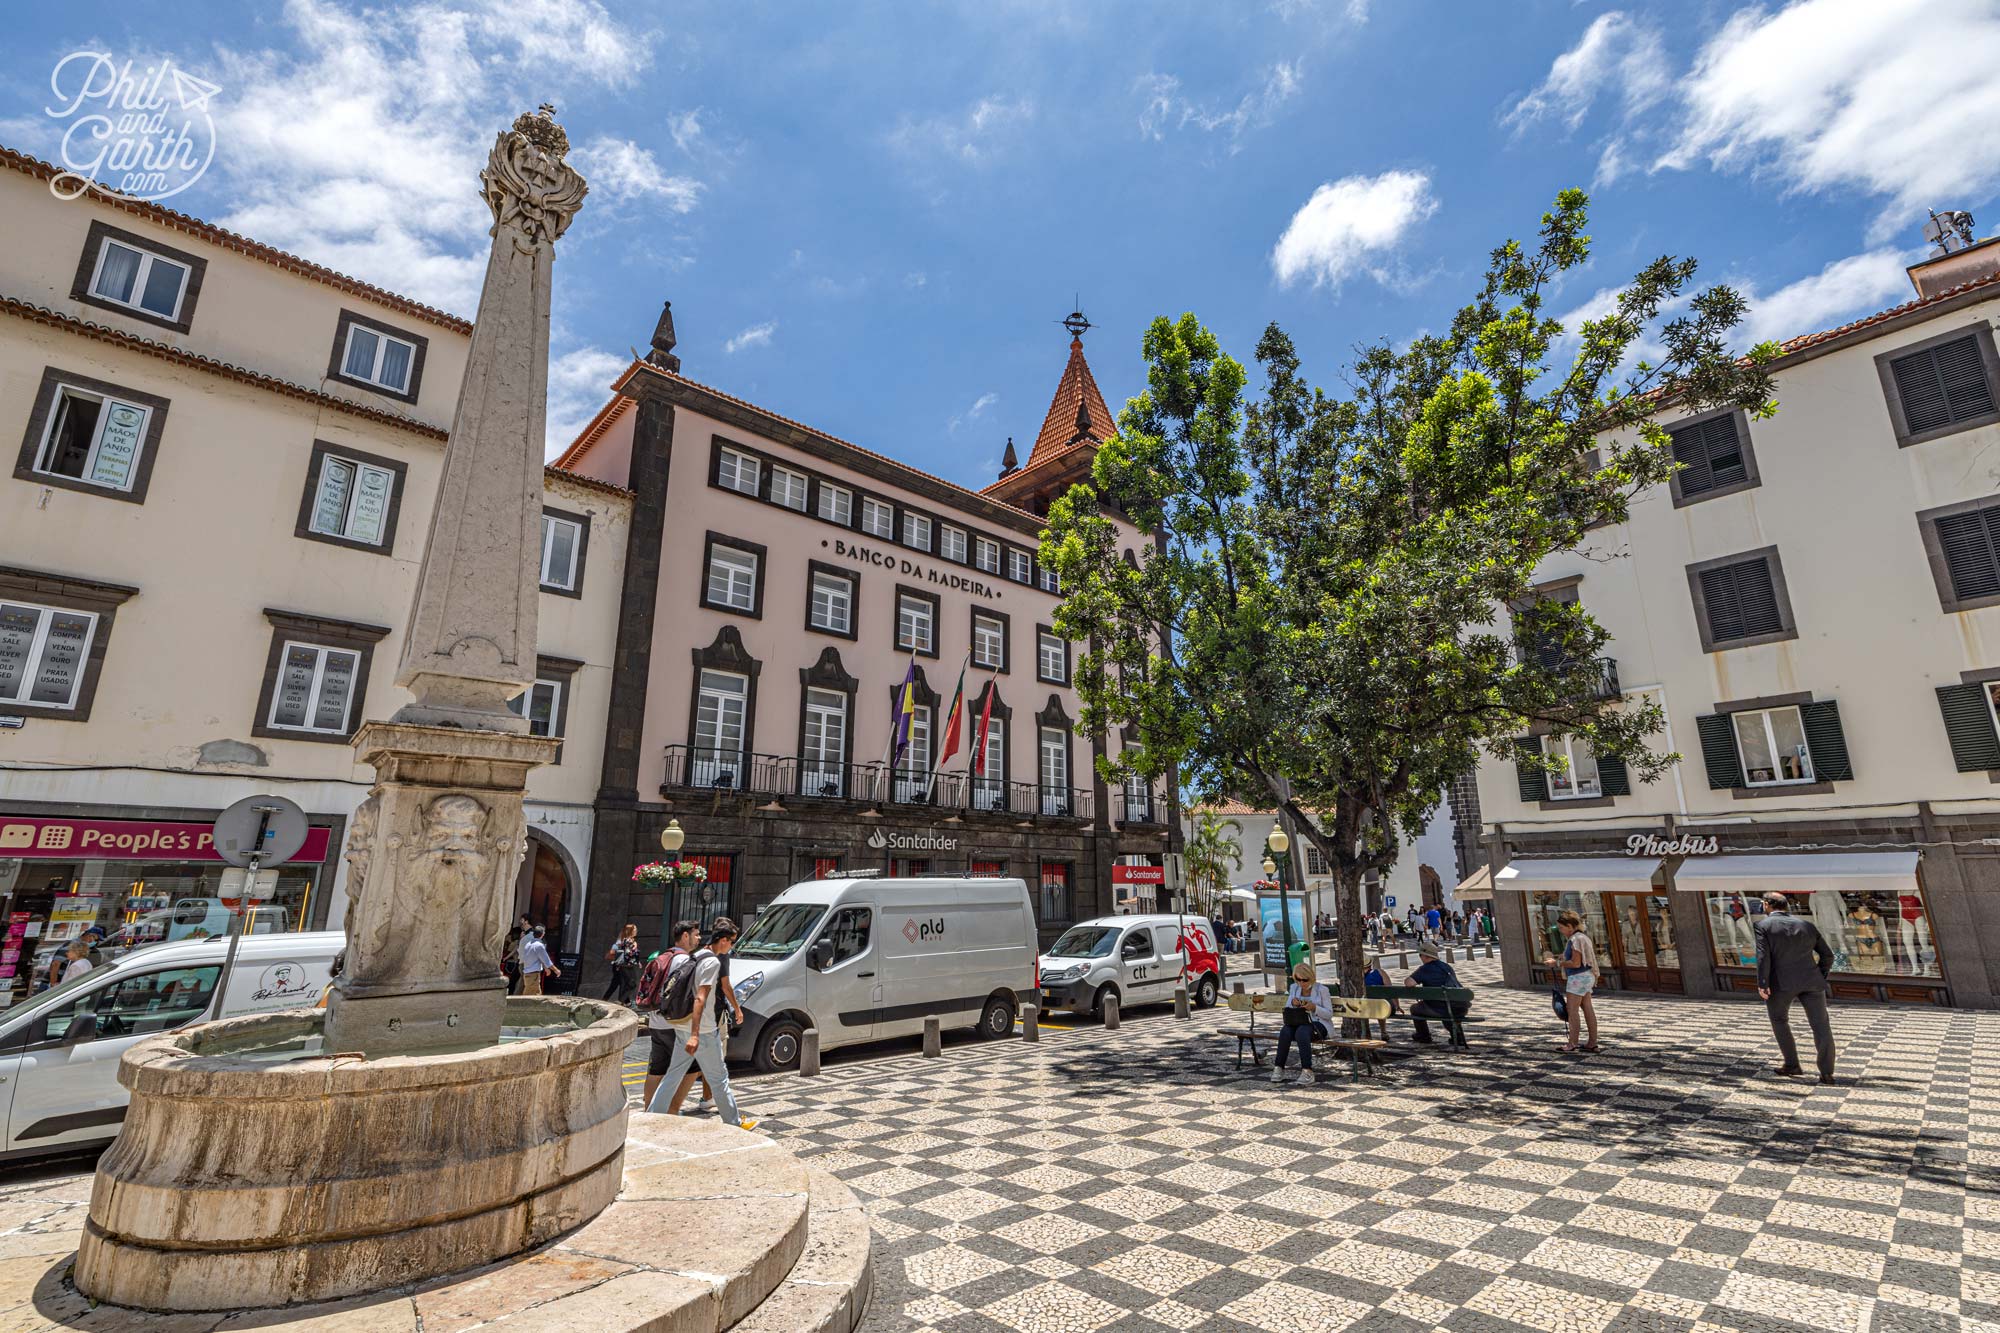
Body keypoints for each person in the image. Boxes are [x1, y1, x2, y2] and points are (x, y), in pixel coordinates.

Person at [646, 919, 752, 1129]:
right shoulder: (712, 962)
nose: (732, 946)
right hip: (703, 1030)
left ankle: (652, 1116)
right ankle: (734, 1122)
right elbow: (700, 998)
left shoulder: (697, 955)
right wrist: (696, 1034)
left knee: (673, 1075)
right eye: (731, 941)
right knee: (719, 1078)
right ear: (722, 940)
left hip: (682, 1026)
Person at [1754, 891, 1837, 1084]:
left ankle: (1792, 1064)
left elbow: (1763, 957)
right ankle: (1827, 1073)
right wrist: (1819, 975)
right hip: (1811, 981)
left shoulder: (1763, 926)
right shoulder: (1806, 925)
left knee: (1779, 1020)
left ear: (1767, 904)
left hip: (1780, 983)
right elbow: (1828, 955)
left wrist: (1763, 983)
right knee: (1821, 1025)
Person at [640, 922, 699, 1109]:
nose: (699, 938)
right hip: (674, 1024)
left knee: (656, 1069)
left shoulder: (664, 955)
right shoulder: (684, 961)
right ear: (685, 936)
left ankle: (648, 1108)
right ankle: (673, 1108)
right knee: (693, 1066)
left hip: (656, 1022)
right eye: (695, 934)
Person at [1541, 910, 1599, 1053]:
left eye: (1562, 927)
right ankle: (1592, 1042)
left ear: (1570, 926)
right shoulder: (1583, 937)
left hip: (1578, 978)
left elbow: (1575, 963)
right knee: (1588, 1009)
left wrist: (1557, 963)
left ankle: (1572, 1043)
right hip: (1588, 976)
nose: (1560, 931)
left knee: (1572, 1011)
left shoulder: (1575, 940)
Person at [1272, 961, 1332, 1085]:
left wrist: (1314, 1008)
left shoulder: (1322, 990)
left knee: (1302, 1032)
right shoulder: (1294, 988)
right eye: (1298, 979)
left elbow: (1329, 1014)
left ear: (1310, 977)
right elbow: (1287, 1008)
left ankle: (1307, 1070)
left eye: (1304, 980)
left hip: (1319, 1024)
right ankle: (1279, 1067)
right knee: (1285, 1031)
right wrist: (1293, 1004)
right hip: (1298, 1022)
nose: (1301, 983)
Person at [1407, 944, 1469, 1046]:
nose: (1420, 957)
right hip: (1459, 1006)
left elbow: (1408, 983)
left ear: (1426, 956)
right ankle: (1458, 1037)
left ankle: (1423, 1036)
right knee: (1447, 1006)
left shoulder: (1425, 969)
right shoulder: (1447, 967)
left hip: (1440, 1008)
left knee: (1415, 1008)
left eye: (1420, 955)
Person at [603, 923, 641, 1004]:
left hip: (621, 964)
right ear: (630, 931)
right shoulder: (621, 941)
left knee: (622, 983)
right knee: (621, 983)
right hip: (620, 965)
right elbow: (611, 953)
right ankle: (620, 1001)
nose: (636, 931)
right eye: (634, 930)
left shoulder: (624, 940)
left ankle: (625, 1002)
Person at [518, 924, 559, 995]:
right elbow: (546, 960)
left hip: (528, 973)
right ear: (542, 934)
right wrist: (556, 970)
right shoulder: (539, 945)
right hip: (533, 974)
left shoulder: (528, 944)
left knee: (535, 995)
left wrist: (546, 968)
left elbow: (540, 959)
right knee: (530, 997)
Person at [503, 915, 530, 995]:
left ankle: (514, 995)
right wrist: (506, 958)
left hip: (524, 962)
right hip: (519, 961)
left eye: (521, 920)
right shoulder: (523, 933)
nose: (520, 922)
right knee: (515, 980)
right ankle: (512, 995)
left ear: (526, 921)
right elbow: (517, 947)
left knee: (519, 980)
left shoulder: (530, 934)